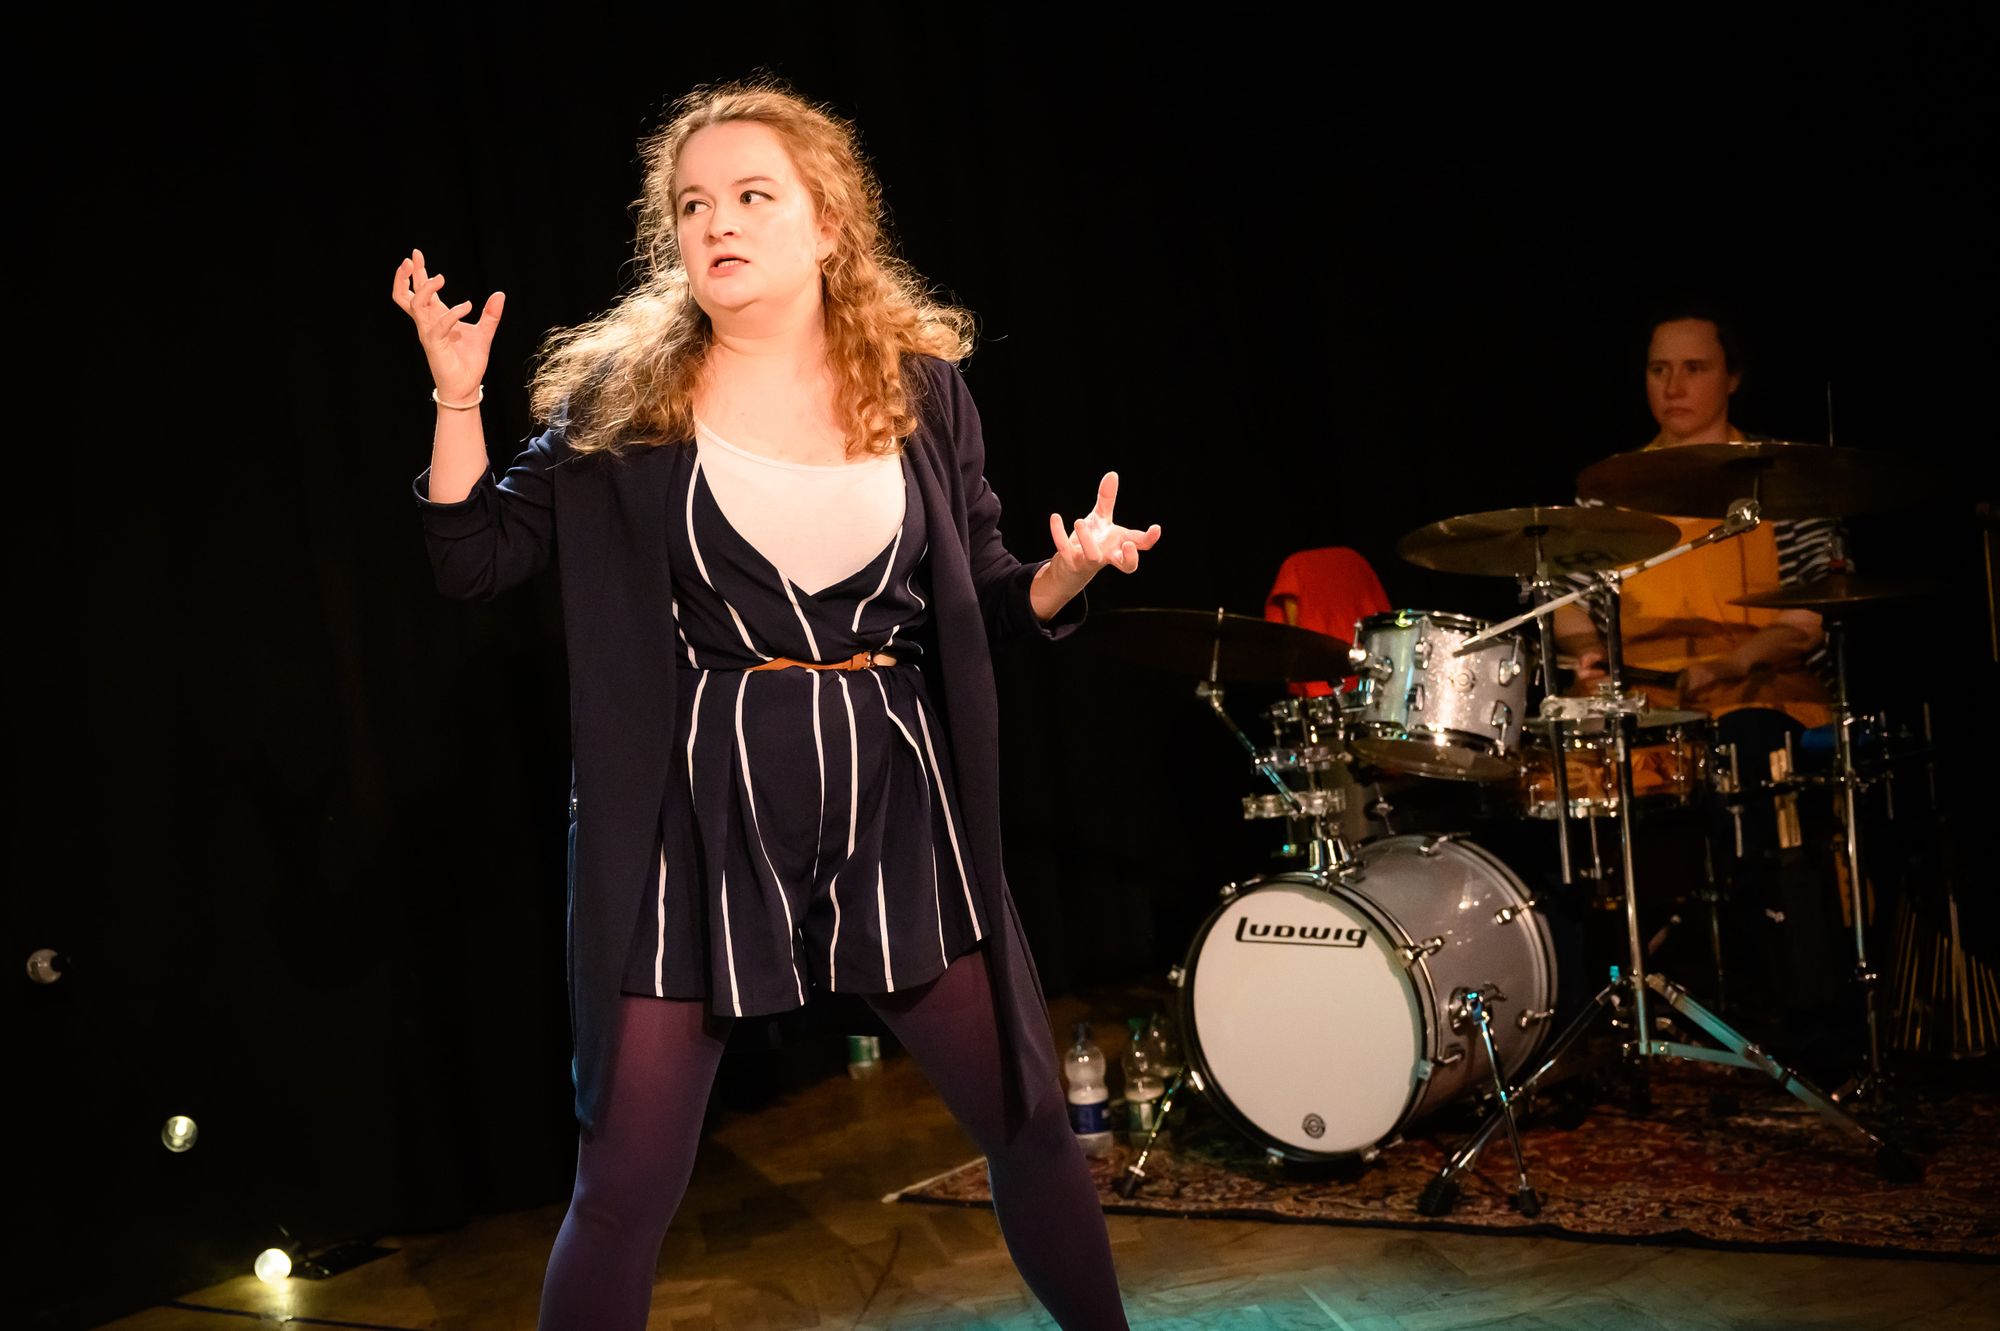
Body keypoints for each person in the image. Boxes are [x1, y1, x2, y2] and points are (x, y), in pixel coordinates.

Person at [392, 82, 1156, 1331]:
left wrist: (1065, 573)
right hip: (693, 809)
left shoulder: (919, 391)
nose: (718, 222)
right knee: (621, 1186)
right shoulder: (624, 403)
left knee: (1026, 1122)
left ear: (828, 225)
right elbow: (471, 555)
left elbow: (987, 591)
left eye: (752, 195)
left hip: (892, 788)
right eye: (693, 204)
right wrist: (458, 395)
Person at [1554, 310, 1848, 1062]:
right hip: (1646, 707)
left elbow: (1809, 619)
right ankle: (1587, 1010)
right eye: (1659, 370)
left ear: (1733, 377)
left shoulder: (1782, 481)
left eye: (1694, 368)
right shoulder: (1609, 488)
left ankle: (1808, 1020)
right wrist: (1588, 658)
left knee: (1756, 749)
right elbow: (1571, 609)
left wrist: (1730, 664)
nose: (1673, 386)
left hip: (1763, 697)